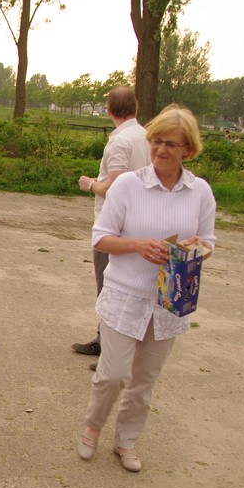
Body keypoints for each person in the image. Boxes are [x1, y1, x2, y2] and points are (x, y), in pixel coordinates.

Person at [77, 104, 216, 472]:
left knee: (143, 381)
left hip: (169, 300)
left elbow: (210, 241)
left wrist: (193, 249)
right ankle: (93, 426)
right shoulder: (128, 185)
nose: (160, 149)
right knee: (114, 375)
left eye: (171, 144)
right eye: (156, 141)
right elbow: (100, 238)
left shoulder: (200, 192)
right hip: (125, 294)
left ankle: (126, 441)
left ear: (188, 149)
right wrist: (138, 245)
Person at [74, 87, 150, 362]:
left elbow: (115, 188)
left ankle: (110, 349)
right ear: (135, 108)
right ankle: (108, 342)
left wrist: (90, 184)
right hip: (139, 221)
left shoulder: (120, 142)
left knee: (109, 287)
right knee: (125, 287)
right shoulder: (145, 136)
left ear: (108, 110)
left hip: (114, 226)